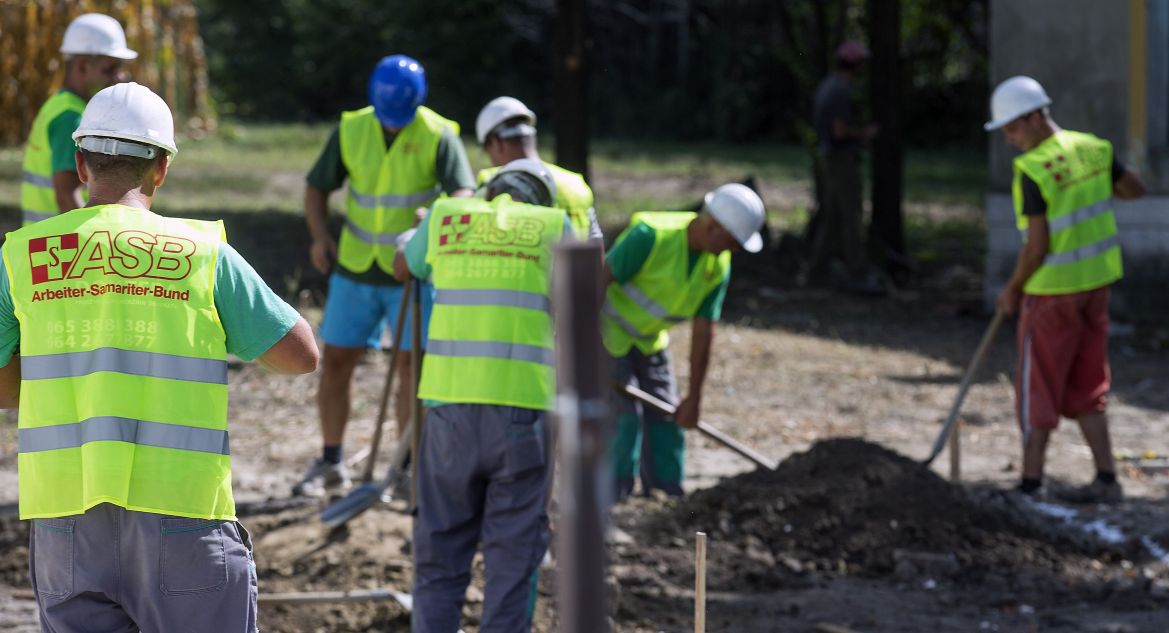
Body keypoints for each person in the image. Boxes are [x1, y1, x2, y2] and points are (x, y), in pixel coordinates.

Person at [0, 82, 319, 632]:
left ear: (80, 165)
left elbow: (6, 390)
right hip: (183, 515)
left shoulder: (21, 256)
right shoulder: (201, 254)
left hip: (64, 521)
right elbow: (300, 355)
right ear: (161, 169)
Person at [392, 159, 570, 632]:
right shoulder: (555, 225)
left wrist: (413, 239)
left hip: (448, 414)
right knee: (512, 558)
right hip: (523, 414)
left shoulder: (447, 215)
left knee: (440, 552)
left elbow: (402, 267)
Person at [297, 54, 475, 496]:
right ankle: (331, 462)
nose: (394, 124)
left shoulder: (439, 134)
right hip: (357, 268)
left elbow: (464, 194)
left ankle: (406, 469)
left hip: (412, 273)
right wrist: (320, 238)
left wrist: (431, 222)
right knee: (336, 362)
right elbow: (317, 187)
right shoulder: (352, 128)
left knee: (412, 370)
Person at [985, 76, 1146, 503]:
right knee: (1088, 384)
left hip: (1051, 294)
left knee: (1038, 384)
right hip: (1096, 289)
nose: (1009, 137)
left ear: (1037, 116)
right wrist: (1092, 188)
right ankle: (1107, 479)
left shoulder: (1034, 169)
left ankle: (1030, 483)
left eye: (1014, 127)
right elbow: (1135, 189)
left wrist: (1013, 289)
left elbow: (1037, 246)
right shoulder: (1094, 149)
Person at [604, 183, 765, 499]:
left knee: (668, 412)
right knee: (623, 415)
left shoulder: (717, 265)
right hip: (607, 333)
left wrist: (695, 398)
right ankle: (613, 493)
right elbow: (595, 282)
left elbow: (704, 332)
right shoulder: (650, 236)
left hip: (649, 339)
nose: (734, 249)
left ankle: (667, 493)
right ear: (714, 227)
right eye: (733, 241)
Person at [20, 13, 136, 225]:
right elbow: (67, 197)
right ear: (82, 67)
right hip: (61, 248)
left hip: (44, 245)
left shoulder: (59, 104)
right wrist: (93, 246)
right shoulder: (71, 118)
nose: (120, 76)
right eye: (110, 69)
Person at [803, 40, 878, 288]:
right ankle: (858, 274)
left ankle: (816, 271)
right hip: (841, 160)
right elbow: (839, 131)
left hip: (828, 158)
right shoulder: (840, 91)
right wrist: (864, 134)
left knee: (833, 216)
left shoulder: (828, 86)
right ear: (855, 64)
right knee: (850, 217)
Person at [474, 96, 603, 242]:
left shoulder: (492, 180)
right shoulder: (576, 183)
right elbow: (595, 242)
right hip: (575, 264)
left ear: (496, 143)